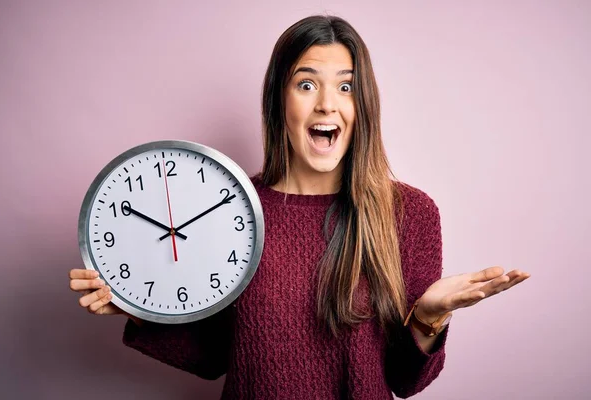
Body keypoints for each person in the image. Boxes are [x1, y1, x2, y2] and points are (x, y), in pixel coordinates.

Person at [69, 15, 530, 399]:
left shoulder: (410, 213)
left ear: (363, 104)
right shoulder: (226, 210)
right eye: (306, 84)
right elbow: (215, 358)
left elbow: (406, 382)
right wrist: (140, 309)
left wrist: (428, 317)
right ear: (278, 100)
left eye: (346, 87)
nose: (327, 104)